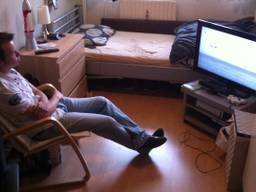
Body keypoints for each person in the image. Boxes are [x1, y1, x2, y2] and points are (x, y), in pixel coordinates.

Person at [0, 32, 166, 155]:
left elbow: (36, 90)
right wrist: (55, 97)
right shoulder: (4, 89)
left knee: (101, 101)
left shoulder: (11, 71)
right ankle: (140, 146)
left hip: (55, 108)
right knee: (106, 122)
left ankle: (141, 137)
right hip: (48, 125)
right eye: (13, 53)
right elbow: (43, 114)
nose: (19, 53)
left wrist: (46, 100)